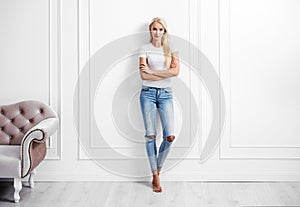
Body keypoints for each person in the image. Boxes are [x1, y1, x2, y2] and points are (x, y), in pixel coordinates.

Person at [138, 17, 180, 193]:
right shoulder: (144, 49)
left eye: (160, 29)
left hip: (166, 95)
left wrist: (153, 71)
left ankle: (159, 168)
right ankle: (155, 174)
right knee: (150, 136)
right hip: (147, 93)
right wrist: (164, 73)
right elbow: (144, 76)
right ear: (150, 30)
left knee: (169, 136)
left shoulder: (172, 50)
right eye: (154, 29)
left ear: (164, 31)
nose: (157, 32)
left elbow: (175, 72)